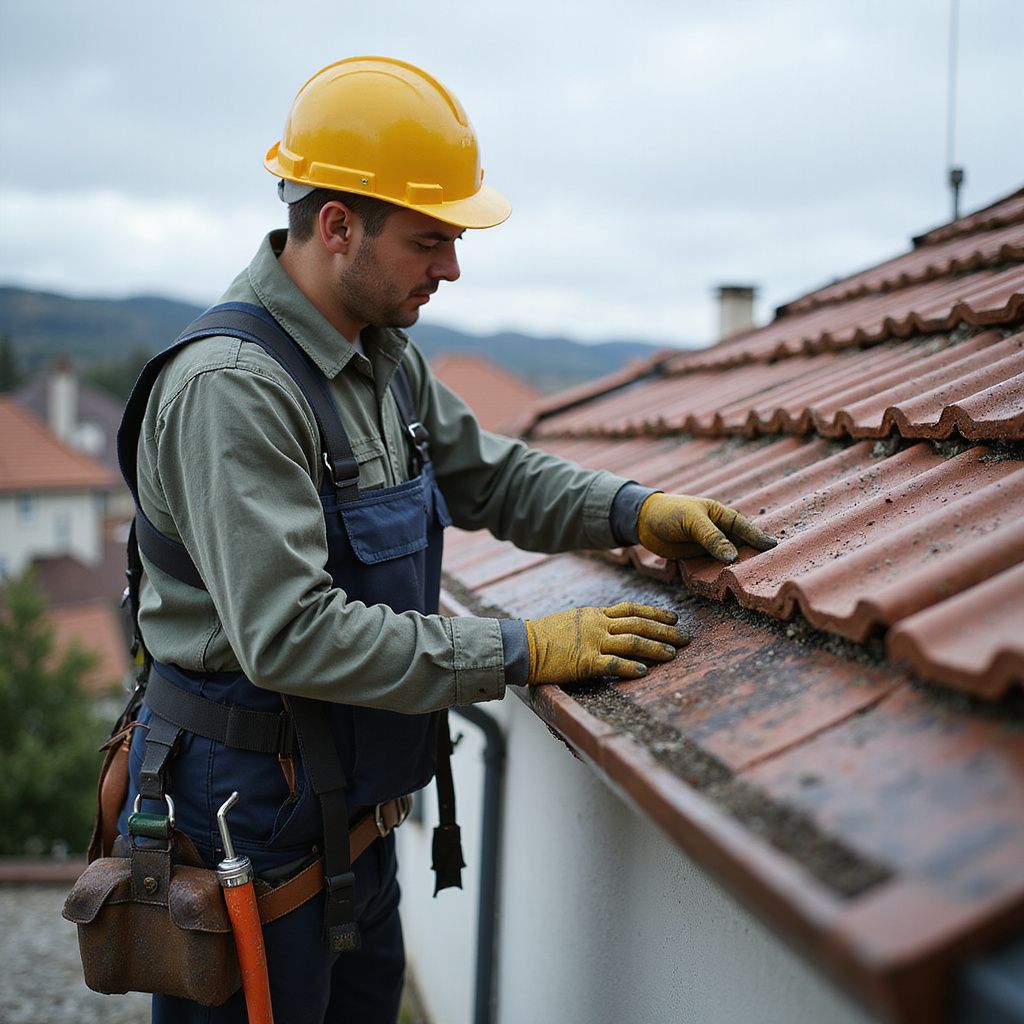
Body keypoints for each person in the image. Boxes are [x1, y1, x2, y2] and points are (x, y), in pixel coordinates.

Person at [116, 56, 776, 1024]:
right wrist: (522, 648)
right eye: (430, 239)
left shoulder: (381, 358)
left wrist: (631, 509)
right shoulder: (235, 388)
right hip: (244, 817)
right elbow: (288, 633)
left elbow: (488, 475)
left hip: (350, 812)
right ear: (337, 226)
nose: (453, 267)